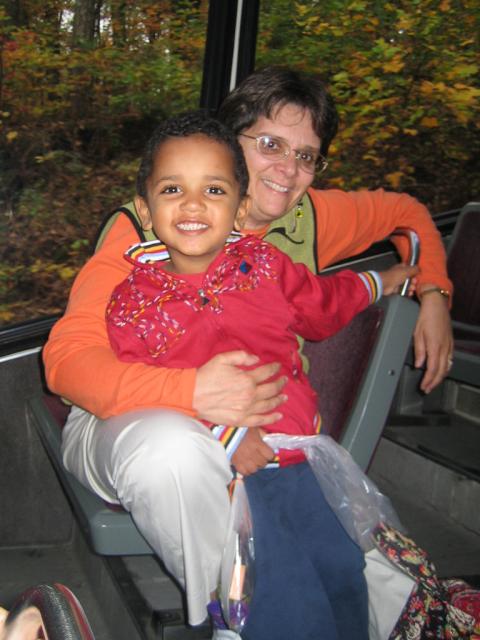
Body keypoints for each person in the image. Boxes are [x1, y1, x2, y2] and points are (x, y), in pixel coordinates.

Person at [42, 67, 453, 637]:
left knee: (338, 567)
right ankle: (242, 616)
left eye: (306, 156)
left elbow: (402, 217)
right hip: (129, 412)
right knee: (177, 455)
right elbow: (67, 362)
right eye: (270, 145)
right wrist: (196, 396)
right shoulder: (144, 241)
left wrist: (430, 290)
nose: (288, 171)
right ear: (225, 143)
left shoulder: (296, 226)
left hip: (278, 438)